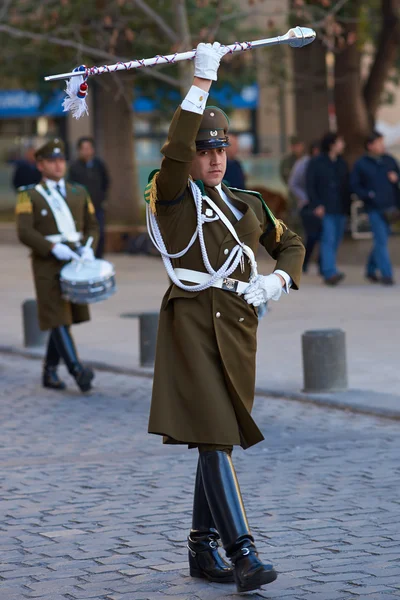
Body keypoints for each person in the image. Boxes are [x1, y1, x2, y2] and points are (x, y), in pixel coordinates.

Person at [145, 42, 305, 593]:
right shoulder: (171, 197)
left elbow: (293, 245)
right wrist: (201, 83)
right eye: (205, 149)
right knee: (215, 437)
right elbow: (171, 151)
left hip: (237, 328)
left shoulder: (248, 203)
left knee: (217, 435)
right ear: (192, 154)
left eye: (222, 149)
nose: (215, 158)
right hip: (191, 326)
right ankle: (243, 554)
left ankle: (200, 546)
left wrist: (277, 281)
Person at [16, 138, 99, 392]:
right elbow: (24, 231)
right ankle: (77, 370)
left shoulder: (79, 192)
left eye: (61, 160)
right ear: (40, 165)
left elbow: (93, 225)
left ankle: (49, 371)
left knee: (64, 316)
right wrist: (52, 247)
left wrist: (88, 247)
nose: (58, 165)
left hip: (75, 260)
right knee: (57, 315)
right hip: (47, 264)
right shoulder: (28, 195)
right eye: (51, 161)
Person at [351, 131, 399, 286]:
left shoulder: (389, 160)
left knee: (381, 239)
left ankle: (371, 270)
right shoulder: (361, 163)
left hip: (390, 208)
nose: (382, 145)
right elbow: (355, 185)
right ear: (370, 145)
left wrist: (396, 178)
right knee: (381, 240)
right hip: (374, 208)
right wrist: (368, 195)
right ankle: (387, 274)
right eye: (378, 142)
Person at [306, 132, 350, 286]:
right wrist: (316, 204)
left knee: (336, 239)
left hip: (340, 208)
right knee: (328, 239)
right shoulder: (317, 162)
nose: (342, 144)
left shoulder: (341, 163)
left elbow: (346, 186)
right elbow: (310, 185)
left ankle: (326, 267)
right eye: (340, 141)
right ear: (332, 144)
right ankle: (330, 272)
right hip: (325, 208)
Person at [69, 137, 110, 258]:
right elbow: (71, 186)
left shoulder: (99, 165)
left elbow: (106, 182)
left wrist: (102, 198)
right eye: (83, 148)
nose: (86, 151)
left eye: (88, 148)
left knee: (99, 232)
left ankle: (98, 257)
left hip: (97, 206)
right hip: (81, 207)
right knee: (82, 233)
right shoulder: (75, 167)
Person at [288, 140, 321, 273]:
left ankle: (322, 264)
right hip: (307, 206)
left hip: (321, 206)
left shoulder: (323, 164)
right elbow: (293, 183)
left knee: (323, 236)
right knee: (311, 236)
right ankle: (305, 262)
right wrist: (306, 199)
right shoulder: (303, 164)